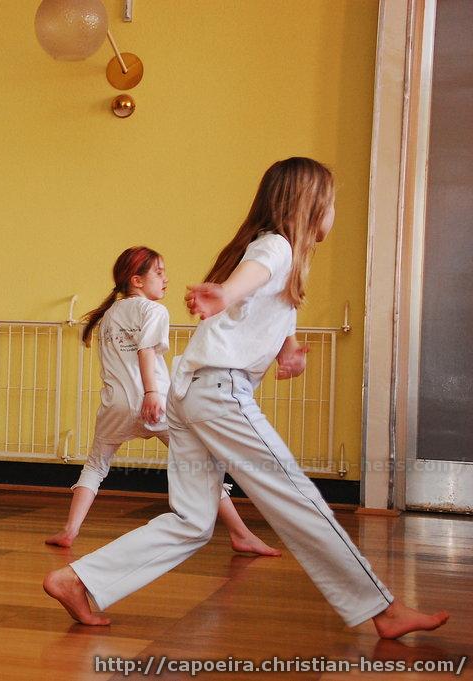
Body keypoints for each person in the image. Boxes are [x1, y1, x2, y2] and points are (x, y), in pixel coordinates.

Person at [44, 157, 449, 640]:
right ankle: (383, 609)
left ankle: (77, 581)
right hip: (218, 392)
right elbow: (251, 278)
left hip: (191, 393)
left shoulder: (278, 256)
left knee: (193, 521)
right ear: (309, 206)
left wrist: (288, 349)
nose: (333, 212)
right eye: (331, 202)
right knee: (298, 497)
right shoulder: (275, 247)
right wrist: (225, 294)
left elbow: (266, 306)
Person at [45, 246, 279, 559]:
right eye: (158, 272)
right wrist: (151, 393)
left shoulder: (110, 315)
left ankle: (70, 530)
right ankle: (241, 534)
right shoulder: (154, 311)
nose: (165, 279)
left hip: (115, 405)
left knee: (96, 466)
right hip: (155, 403)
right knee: (203, 468)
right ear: (137, 280)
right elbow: (145, 351)